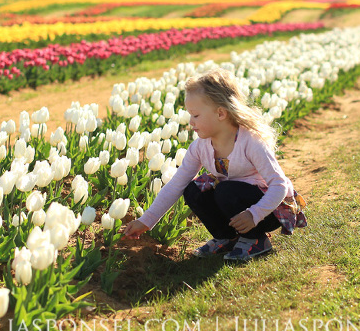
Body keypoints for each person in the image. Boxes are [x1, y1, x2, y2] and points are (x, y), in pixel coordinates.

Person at [122, 68, 307, 262]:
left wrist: (254, 214)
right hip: (236, 202)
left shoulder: (251, 142)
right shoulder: (200, 146)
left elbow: (279, 185)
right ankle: (227, 237)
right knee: (193, 189)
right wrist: (146, 221)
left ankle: (256, 239)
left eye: (196, 115)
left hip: (268, 208)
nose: (190, 122)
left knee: (226, 190)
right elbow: (177, 183)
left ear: (220, 113)